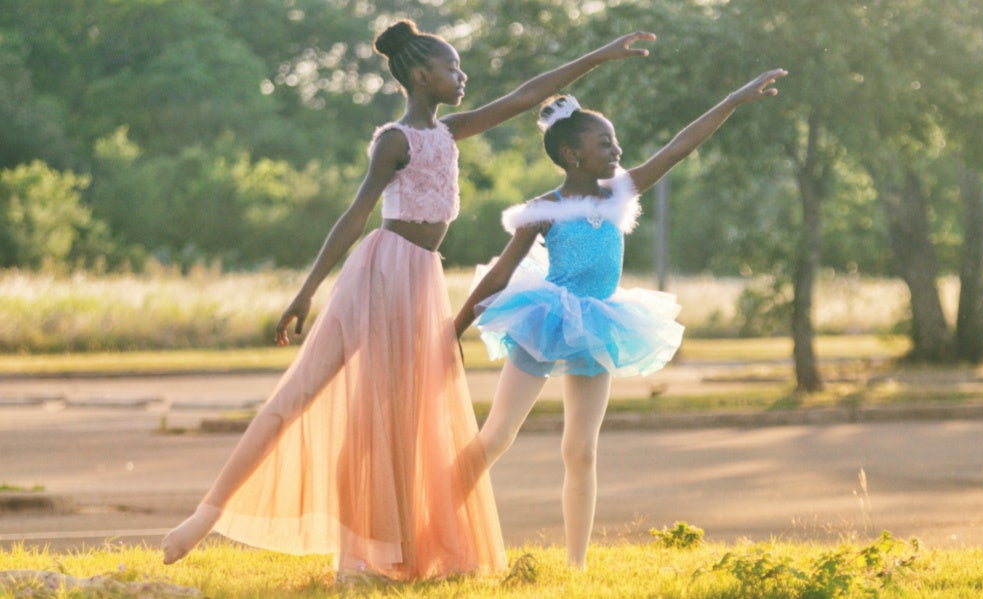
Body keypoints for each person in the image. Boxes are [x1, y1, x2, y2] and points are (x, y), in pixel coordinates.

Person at [160, 19, 656, 581]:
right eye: (452, 67)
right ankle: (209, 517)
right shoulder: (393, 140)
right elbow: (355, 215)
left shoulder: (450, 133)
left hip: (422, 277)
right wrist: (306, 292)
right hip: (381, 268)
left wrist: (603, 55)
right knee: (316, 392)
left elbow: (529, 94)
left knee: (403, 418)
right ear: (421, 76)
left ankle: (388, 553)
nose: (462, 76)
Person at [454, 67, 788, 568]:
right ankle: (432, 518)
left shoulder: (620, 193)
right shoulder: (545, 208)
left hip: (599, 326)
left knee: (581, 451)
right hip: (547, 320)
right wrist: (451, 328)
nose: (616, 150)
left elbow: (679, 147)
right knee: (498, 435)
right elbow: (502, 271)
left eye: (615, 142)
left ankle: (576, 564)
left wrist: (734, 99)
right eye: (604, 143)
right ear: (572, 155)